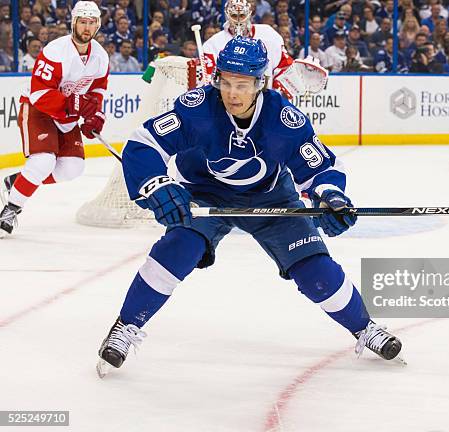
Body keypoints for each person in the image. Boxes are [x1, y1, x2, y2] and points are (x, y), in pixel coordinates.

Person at [96, 36, 403, 373]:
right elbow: (144, 142)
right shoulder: (198, 108)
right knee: (177, 249)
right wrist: (157, 183)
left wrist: (331, 196)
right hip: (203, 191)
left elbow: (321, 169)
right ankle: (126, 326)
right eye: (225, 82)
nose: (232, 93)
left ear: (261, 82)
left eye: (242, 84)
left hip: (270, 195)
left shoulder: (284, 120)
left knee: (315, 270)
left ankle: (365, 327)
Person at [0, 1, 109, 237]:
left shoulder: (100, 56)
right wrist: (75, 104)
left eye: (91, 22)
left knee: (72, 168)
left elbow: (98, 90)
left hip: (66, 117)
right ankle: (10, 210)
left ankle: (18, 182)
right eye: (82, 22)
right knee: (43, 162)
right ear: (74, 23)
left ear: (98, 25)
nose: (86, 28)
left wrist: (95, 115)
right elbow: (39, 92)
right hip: (38, 109)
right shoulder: (55, 51)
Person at [201, 0, 327, 100]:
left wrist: (296, 82)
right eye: (234, 15)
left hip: (264, 103)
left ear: (250, 14)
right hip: (230, 102)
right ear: (227, 15)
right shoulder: (212, 44)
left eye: (242, 15)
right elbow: (210, 80)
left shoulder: (269, 34)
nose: (238, 20)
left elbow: (282, 67)